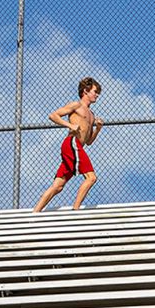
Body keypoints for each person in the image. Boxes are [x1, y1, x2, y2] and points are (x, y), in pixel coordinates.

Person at [32, 77, 103, 212]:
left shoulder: (92, 115)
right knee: (91, 178)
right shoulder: (76, 105)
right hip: (72, 143)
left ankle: (34, 213)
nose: (97, 95)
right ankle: (75, 211)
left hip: (77, 147)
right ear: (85, 91)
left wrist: (98, 129)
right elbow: (53, 115)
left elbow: (88, 142)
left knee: (58, 186)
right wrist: (69, 125)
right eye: (95, 91)